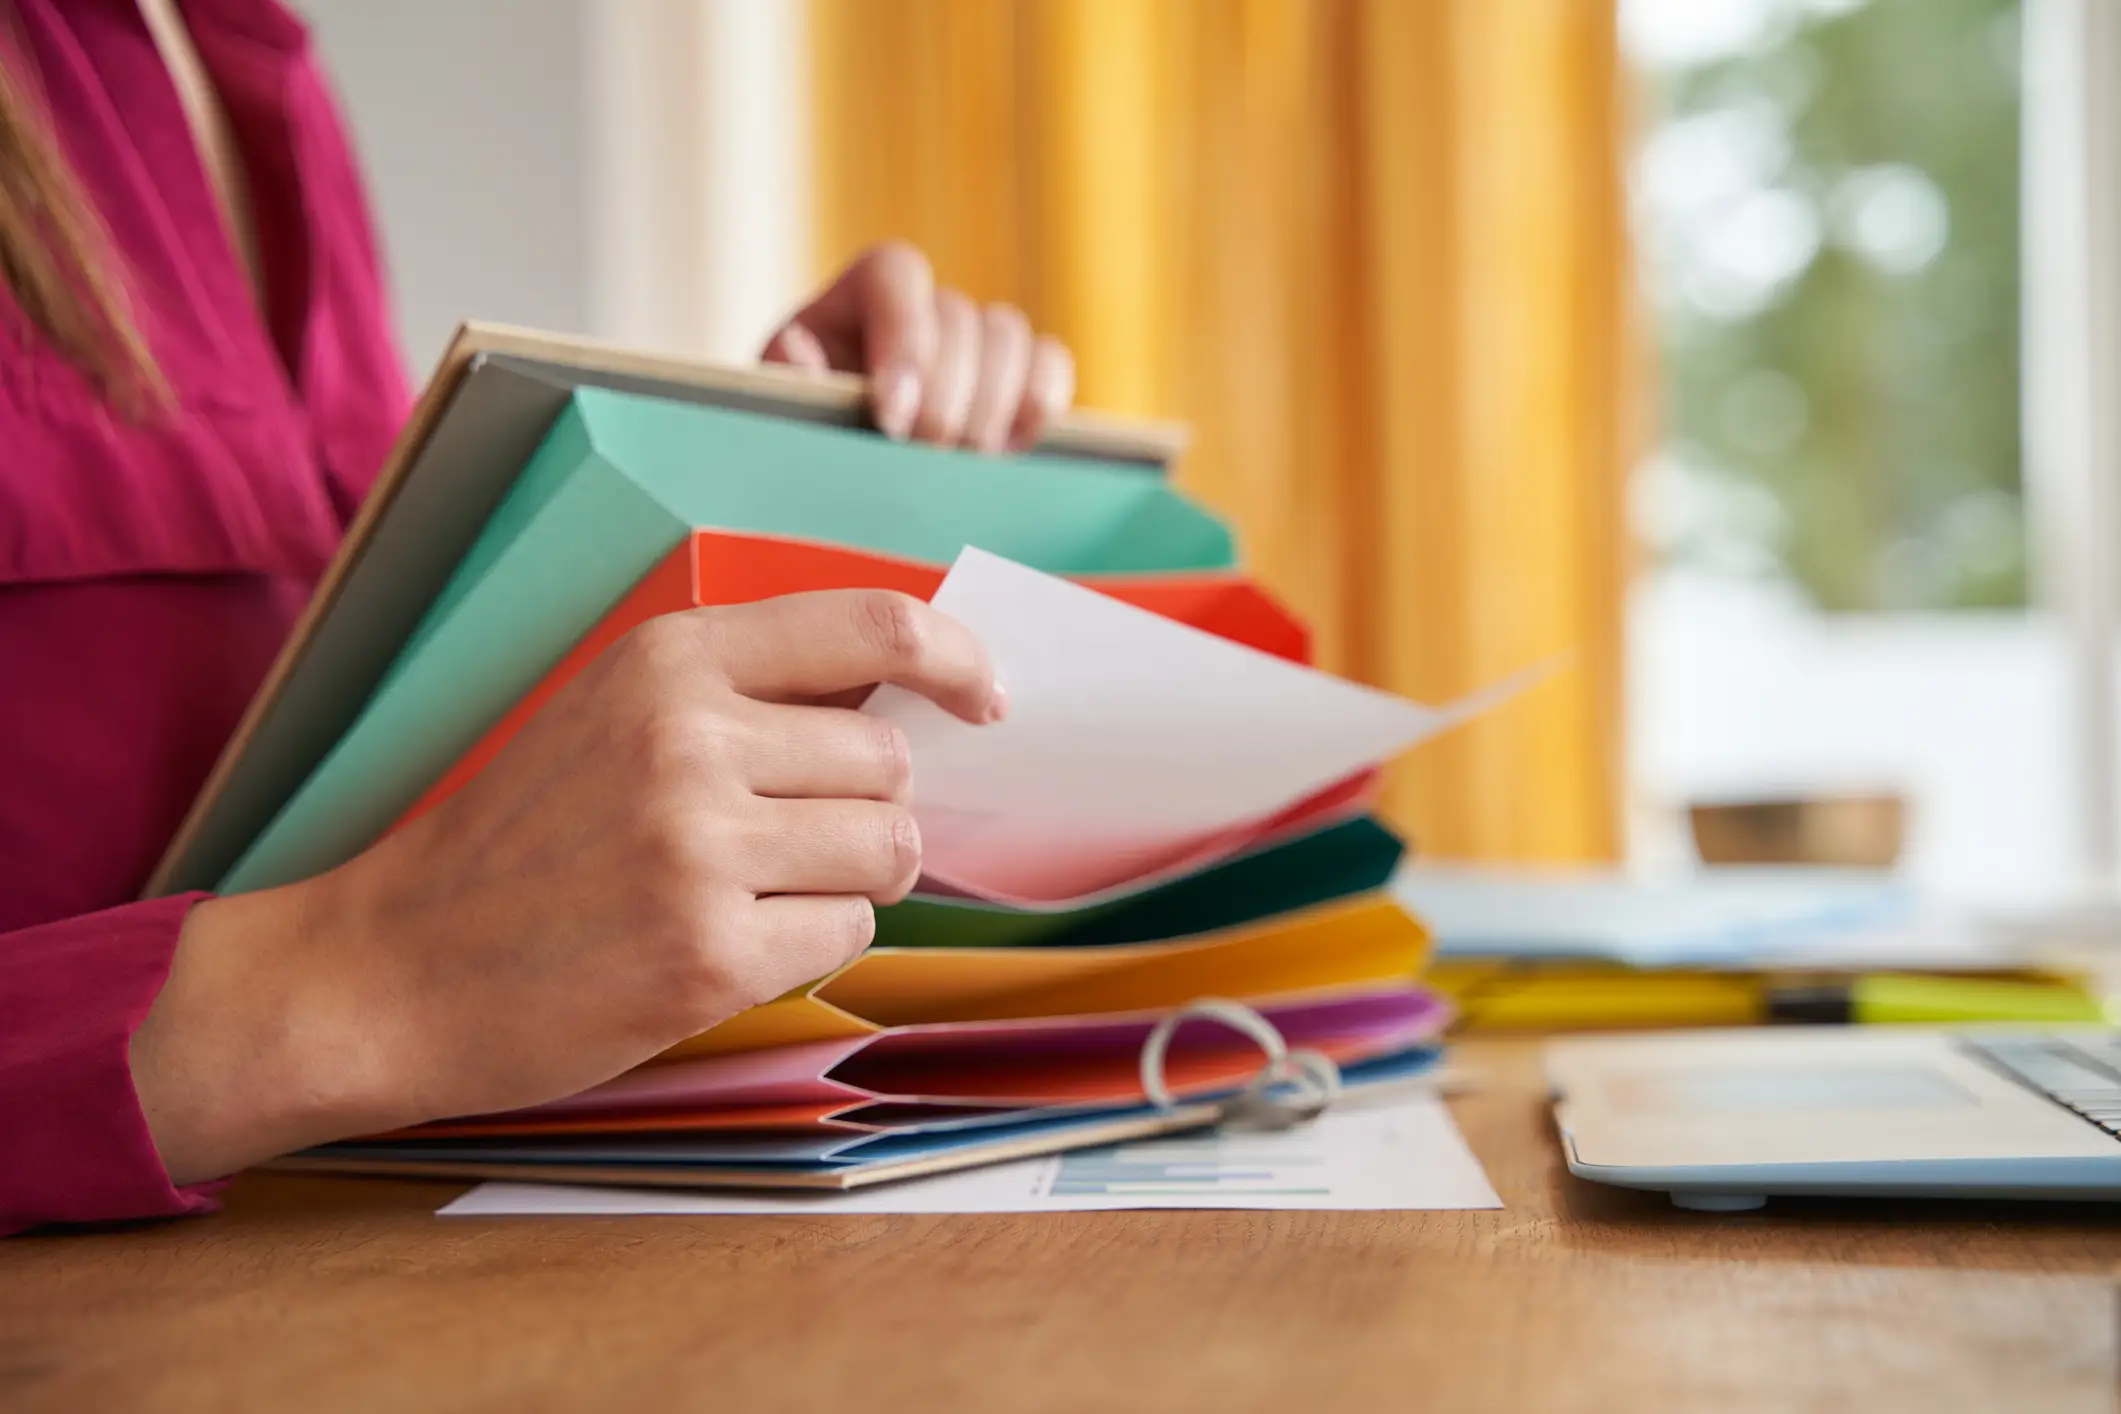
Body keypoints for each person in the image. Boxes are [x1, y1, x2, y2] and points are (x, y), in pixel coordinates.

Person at [0, 0, 1076, 1234]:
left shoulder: (248, 60)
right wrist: (379, 969)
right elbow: (368, 932)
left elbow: (299, 765)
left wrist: (772, 498)